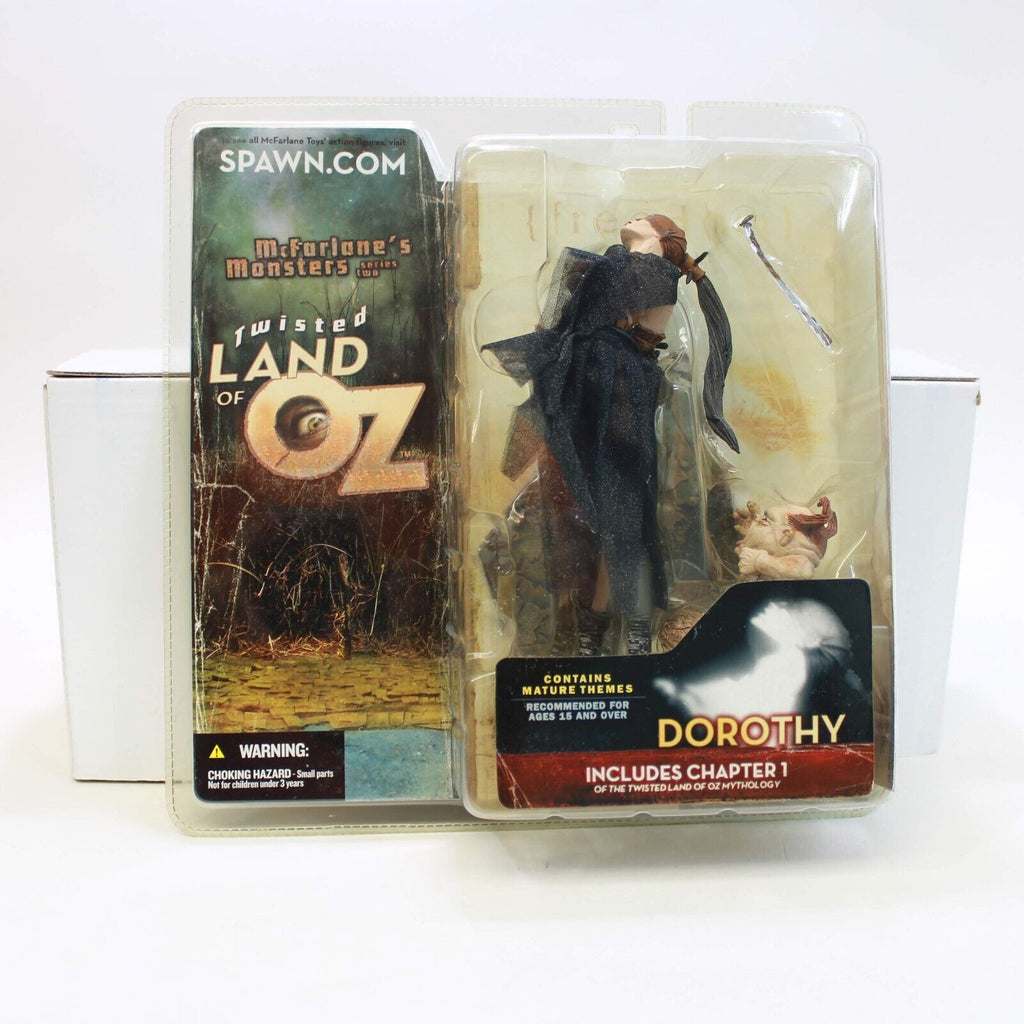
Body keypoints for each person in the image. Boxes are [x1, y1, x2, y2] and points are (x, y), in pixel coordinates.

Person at [483, 215, 738, 656]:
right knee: (578, 518)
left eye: (646, 220)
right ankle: (590, 623)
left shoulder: (655, 273)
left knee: (623, 514)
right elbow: (567, 318)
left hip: (618, 392)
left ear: (662, 237)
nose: (632, 218)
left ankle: (628, 622)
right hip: (582, 387)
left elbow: (649, 337)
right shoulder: (612, 263)